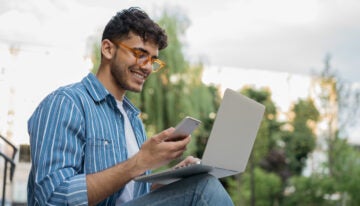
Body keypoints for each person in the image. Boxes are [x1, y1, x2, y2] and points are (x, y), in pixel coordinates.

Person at [27, 7, 234, 205]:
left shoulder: (132, 120)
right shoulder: (67, 103)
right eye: (140, 54)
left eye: (153, 60)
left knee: (197, 184)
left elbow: (133, 195)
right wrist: (140, 161)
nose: (147, 67)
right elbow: (53, 197)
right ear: (108, 49)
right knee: (204, 188)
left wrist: (174, 178)